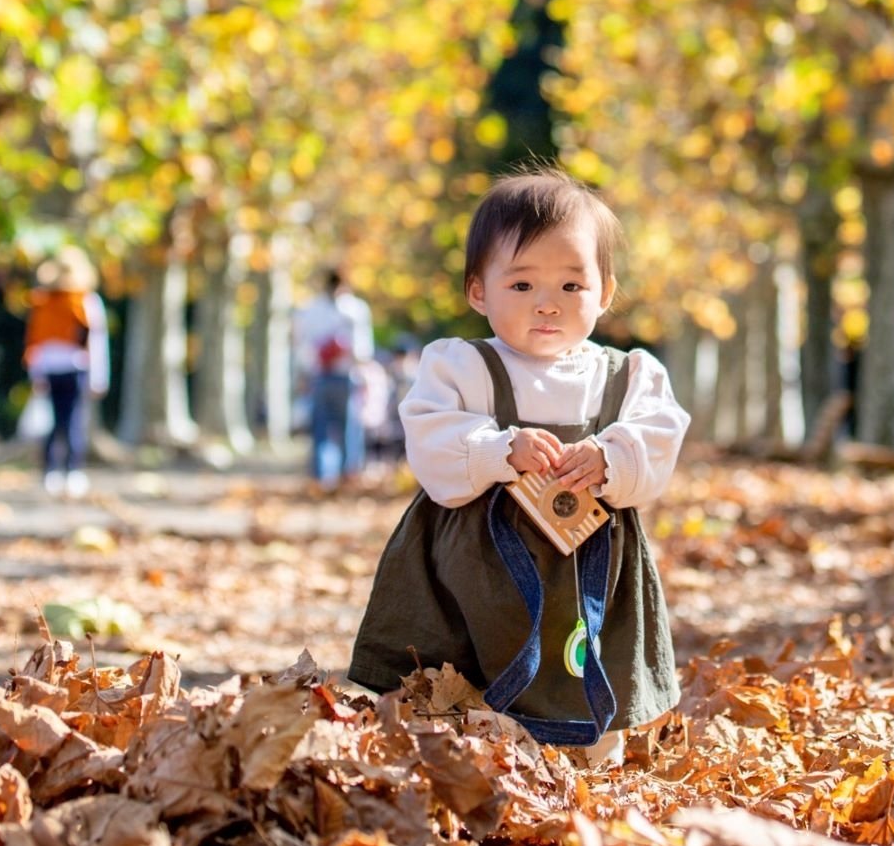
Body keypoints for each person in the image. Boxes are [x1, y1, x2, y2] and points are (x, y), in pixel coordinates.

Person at [347, 166, 690, 767]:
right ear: (479, 291)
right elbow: (428, 433)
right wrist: (495, 448)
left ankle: (590, 751)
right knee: (464, 655)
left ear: (605, 292)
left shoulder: (627, 375)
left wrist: (612, 455)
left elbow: (659, 437)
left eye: (571, 287)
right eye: (523, 285)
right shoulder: (463, 366)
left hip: (588, 559)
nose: (548, 306)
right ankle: (462, 748)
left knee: (585, 650)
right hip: (475, 556)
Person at [24, 247, 109, 499]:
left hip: (62, 368)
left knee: (64, 421)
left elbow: (36, 342)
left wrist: (36, 373)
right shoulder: (68, 301)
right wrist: (99, 377)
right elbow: (38, 340)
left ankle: (63, 471)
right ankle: (63, 471)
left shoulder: (60, 301)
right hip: (69, 368)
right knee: (67, 421)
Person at [293, 267, 374, 485]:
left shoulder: (309, 309)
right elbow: (362, 349)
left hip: (320, 375)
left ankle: (323, 475)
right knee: (349, 427)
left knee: (322, 428)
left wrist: (304, 373)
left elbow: (302, 347)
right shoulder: (355, 309)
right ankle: (349, 474)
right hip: (347, 374)